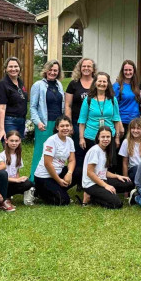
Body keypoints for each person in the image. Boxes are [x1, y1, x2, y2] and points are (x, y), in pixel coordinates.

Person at [81, 126, 134, 209]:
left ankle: (103, 194)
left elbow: (103, 172)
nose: (105, 139)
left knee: (128, 183)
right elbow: (90, 173)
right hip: (91, 184)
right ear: (98, 137)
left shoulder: (105, 150)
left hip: (101, 179)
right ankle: (91, 197)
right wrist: (106, 186)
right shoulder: (95, 150)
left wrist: (117, 176)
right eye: (103, 137)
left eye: (108, 137)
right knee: (117, 204)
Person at [29, 59, 64, 181]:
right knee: (41, 152)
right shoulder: (38, 85)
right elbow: (32, 107)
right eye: (50, 69)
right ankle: (33, 180)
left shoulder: (59, 85)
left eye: (55, 70)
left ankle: (51, 179)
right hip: (44, 124)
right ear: (46, 70)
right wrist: (38, 122)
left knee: (55, 153)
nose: (53, 72)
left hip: (58, 124)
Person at [65, 57, 96, 188]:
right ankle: (79, 181)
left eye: (89, 66)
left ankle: (92, 180)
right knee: (79, 152)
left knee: (93, 152)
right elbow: (68, 105)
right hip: (78, 125)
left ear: (93, 69)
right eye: (84, 66)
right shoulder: (73, 84)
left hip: (94, 125)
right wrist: (69, 124)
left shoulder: (97, 83)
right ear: (80, 68)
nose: (86, 68)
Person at [33, 116, 77, 206]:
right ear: (57, 127)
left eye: (67, 126)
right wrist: (59, 180)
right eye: (62, 126)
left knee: (78, 172)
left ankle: (56, 190)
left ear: (71, 127)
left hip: (58, 172)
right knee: (64, 201)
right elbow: (47, 164)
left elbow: (72, 160)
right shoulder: (51, 141)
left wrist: (69, 173)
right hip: (44, 177)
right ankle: (37, 192)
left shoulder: (70, 141)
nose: (65, 128)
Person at [77, 72, 122, 152]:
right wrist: (81, 138)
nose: (102, 84)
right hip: (91, 137)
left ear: (108, 84)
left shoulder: (112, 99)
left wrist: (117, 137)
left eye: (104, 81)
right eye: (99, 81)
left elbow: (116, 119)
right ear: (95, 83)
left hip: (109, 138)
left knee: (108, 163)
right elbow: (82, 121)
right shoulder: (88, 100)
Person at [0, 56, 28, 139]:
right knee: (10, 147)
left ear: (20, 68)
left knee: (17, 148)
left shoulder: (20, 82)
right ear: (5, 69)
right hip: (9, 121)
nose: (13, 69)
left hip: (21, 120)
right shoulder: (3, 84)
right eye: (10, 66)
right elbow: (1, 108)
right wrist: (2, 129)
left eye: (16, 66)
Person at [0, 130, 34, 205]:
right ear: (6, 141)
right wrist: (16, 180)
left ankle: (26, 196)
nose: (14, 143)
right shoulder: (2, 156)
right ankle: (5, 197)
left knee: (29, 183)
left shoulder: (18, 154)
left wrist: (20, 179)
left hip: (13, 182)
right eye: (11, 141)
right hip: (4, 183)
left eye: (16, 141)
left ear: (20, 141)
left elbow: (16, 171)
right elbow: (0, 176)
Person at [119, 117, 141, 183]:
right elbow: (125, 162)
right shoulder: (126, 141)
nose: (135, 131)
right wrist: (126, 180)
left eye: (138, 128)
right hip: (133, 169)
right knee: (137, 169)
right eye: (133, 128)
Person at [113, 60, 140, 135]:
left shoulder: (136, 85)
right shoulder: (117, 86)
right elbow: (114, 106)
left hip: (136, 123)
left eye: (130, 70)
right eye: (126, 70)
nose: (128, 72)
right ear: (122, 71)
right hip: (123, 122)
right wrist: (119, 123)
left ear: (134, 70)